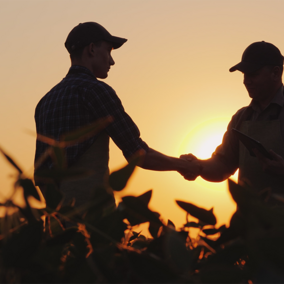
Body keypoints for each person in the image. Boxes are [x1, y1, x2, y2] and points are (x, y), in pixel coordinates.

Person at [34, 22, 200, 208]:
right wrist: (183, 165)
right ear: (91, 49)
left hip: (56, 224)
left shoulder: (44, 102)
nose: (112, 61)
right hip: (93, 220)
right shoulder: (96, 91)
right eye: (109, 51)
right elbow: (138, 153)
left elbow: (40, 174)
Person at [182, 41, 284, 201]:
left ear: (275, 73)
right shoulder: (241, 118)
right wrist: (196, 166)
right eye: (244, 75)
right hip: (249, 222)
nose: (246, 81)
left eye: (253, 74)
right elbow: (222, 166)